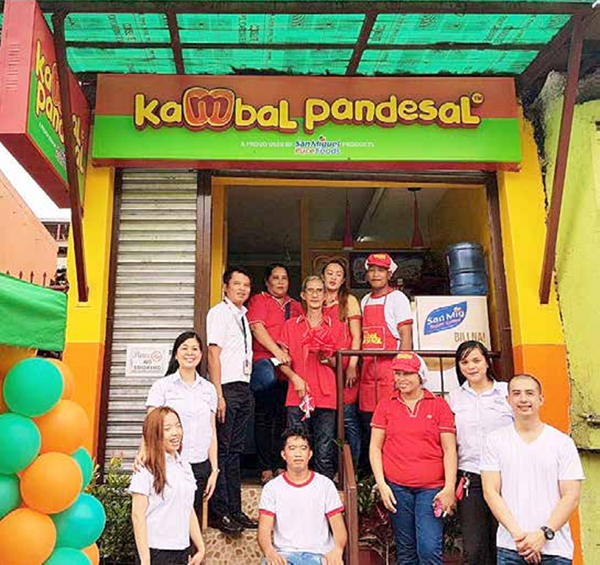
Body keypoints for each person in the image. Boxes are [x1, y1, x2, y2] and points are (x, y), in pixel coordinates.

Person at [481, 374, 584, 565]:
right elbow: (490, 491)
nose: (523, 399)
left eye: (530, 393)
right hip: (511, 547)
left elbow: (571, 496)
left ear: (541, 399)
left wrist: (543, 534)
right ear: (508, 400)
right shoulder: (494, 441)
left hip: (555, 549)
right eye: (516, 393)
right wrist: (519, 537)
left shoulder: (562, 443)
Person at [370, 351, 457, 564]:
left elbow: (449, 450)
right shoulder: (385, 405)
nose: (401, 379)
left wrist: (449, 488)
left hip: (432, 489)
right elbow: (375, 447)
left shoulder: (438, 405)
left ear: (420, 376)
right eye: (397, 373)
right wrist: (382, 484)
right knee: (406, 551)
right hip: (397, 488)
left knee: (428, 550)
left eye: (407, 373)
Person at [135, 331, 218, 530]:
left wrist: (214, 469)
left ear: (201, 354)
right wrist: (144, 451)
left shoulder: (209, 389)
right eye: (184, 348)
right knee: (164, 523)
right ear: (175, 354)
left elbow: (212, 431)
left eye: (195, 349)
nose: (190, 353)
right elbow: (151, 425)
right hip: (166, 465)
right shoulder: (162, 386)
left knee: (192, 526)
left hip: (198, 466)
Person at [448, 340, 513, 565]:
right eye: (464, 362)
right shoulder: (454, 397)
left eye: (476, 360)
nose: (471, 366)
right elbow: (449, 442)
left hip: (507, 477)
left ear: (486, 361)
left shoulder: (506, 391)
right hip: (471, 477)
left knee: (504, 543)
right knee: (473, 548)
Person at [206, 266, 256, 535]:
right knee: (222, 452)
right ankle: (219, 512)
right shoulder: (219, 313)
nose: (242, 289)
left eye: (246, 285)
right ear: (225, 286)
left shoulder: (243, 317)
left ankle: (235, 509)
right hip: (226, 388)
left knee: (235, 452)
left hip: (243, 387)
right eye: (236, 284)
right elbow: (214, 355)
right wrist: (219, 394)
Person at [279, 275, 341, 479]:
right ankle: (296, 494)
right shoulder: (290, 325)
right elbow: (280, 361)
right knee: (296, 449)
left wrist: (327, 358)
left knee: (324, 451)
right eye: (311, 291)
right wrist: (295, 378)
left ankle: (325, 502)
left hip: (326, 394)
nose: (315, 295)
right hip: (297, 394)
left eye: (319, 291)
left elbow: (342, 364)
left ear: (325, 296)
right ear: (303, 295)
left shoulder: (336, 325)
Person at [247, 263, 303, 485]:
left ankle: (281, 465)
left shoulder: (296, 305)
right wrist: (277, 352)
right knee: (264, 419)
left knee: (283, 418)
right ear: (267, 281)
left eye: (284, 278)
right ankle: (265, 467)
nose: (280, 282)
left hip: (289, 370)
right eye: (276, 278)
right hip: (265, 365)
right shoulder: (259, 300)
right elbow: (257, 328)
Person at [257, 427, 347, 565]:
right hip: (284, 555)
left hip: (319, 555)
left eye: (303, 448)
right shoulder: (272, 488)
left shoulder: (325, 485)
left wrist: (338, 550)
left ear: (310, 454)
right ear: (283, 454)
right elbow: (264, 529)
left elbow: (338, 527)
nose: (298, 453)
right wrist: (269, 552)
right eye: (292, 448)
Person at [130, 407, 204, 565]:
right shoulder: (145, 468)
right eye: (167, 429)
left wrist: (200, 547)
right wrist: (145, 560)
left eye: (178, 425)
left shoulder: (185, 466)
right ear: (155, 434)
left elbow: (187, 508)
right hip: (155, 550)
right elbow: (137, 516)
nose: (176, 432)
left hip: (182, 550)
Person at [360, 253, 413, 440]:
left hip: (390, 371)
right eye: (372, 270)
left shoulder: (398, 298)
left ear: (389, 274)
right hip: (367, 372)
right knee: (368, 423)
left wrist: (403, 369)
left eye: (381, 270)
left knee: (391, 422)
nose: (375, 274)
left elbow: (406, 334)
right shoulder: (364, 300)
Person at [321, 259, 362, 466]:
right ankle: (329, 468)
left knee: (347, 419)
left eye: (338, 274)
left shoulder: (349, 301)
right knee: (326, 420)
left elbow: (356, 336)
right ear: (323, 276)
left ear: (344, 279)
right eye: (329, 273)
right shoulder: (316, 300)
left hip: (346, 367)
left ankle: (350, 470)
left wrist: (353, 365)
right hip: (324, 367)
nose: (333, 277)